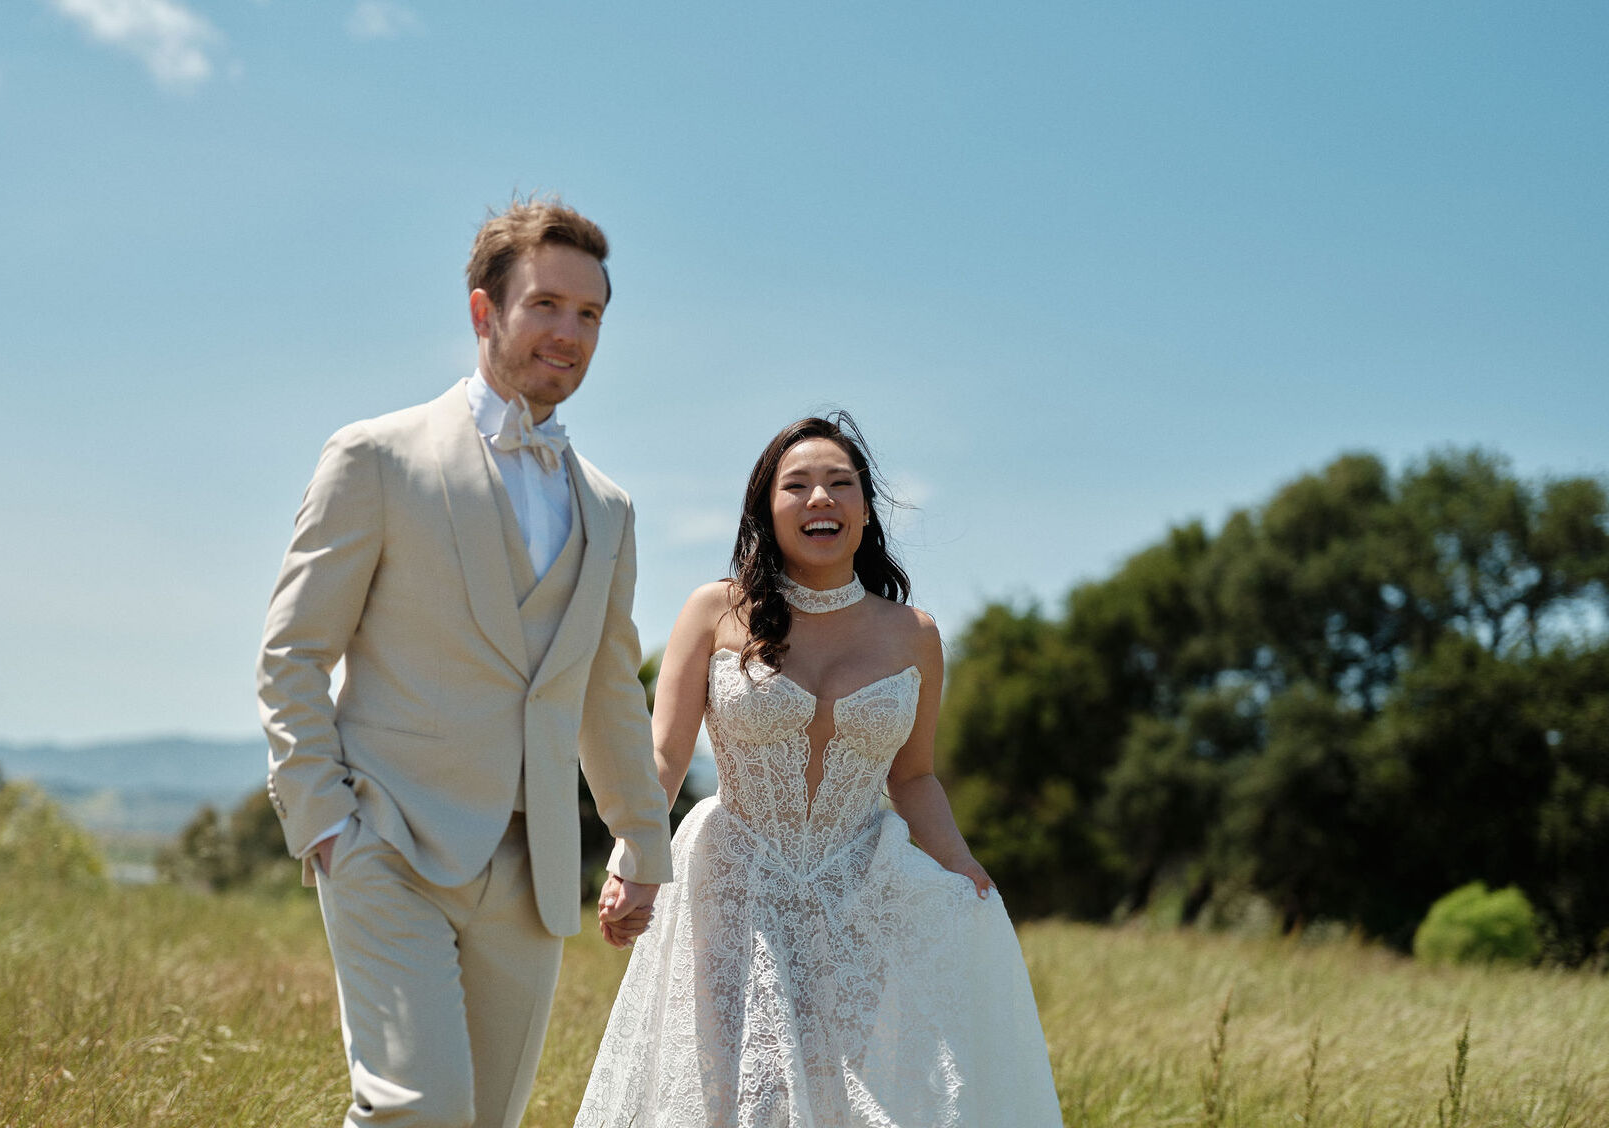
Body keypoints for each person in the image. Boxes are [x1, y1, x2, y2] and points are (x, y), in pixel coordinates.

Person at [258, 197, 675, 1128]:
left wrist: (640, 840)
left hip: (530, 876)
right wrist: (326, 824)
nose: (569, 334)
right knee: (421, 1112)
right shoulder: (374, 457)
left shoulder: (607, 510)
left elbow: (606, 689)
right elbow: (292, 654)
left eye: (590, 314)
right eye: (545, 306)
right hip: (386, 845)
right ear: (484, 311)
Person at [573, 413, 1063, 1127]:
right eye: (796, 485)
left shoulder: (914, 635)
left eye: (840, 484)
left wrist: (962, 867)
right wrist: (631, 860)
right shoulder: (715, 610)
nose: (820, 499)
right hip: (731, 882)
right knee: (729, 1093)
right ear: (766, 511)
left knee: (848, 1092)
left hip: (863, 887)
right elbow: (664, 759)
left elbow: (913, 778)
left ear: (866, 511)